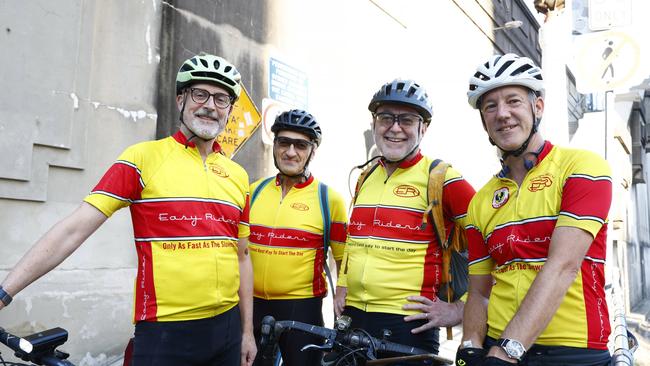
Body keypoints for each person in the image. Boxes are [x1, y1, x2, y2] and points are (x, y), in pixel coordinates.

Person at [0, 53, 257, 366]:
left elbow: (242, 257)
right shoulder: (142, 158)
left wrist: (247, 332)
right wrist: (4, 293)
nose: (210, 105)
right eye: (199, 94)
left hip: (227, 331)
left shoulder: (238, 176)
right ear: (180, 100)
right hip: (165, 333)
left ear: (229, 110)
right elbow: (75, 227)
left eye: (221, 98)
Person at [457, 53, 613, 365]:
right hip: (495, 347)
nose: (503, 114)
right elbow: (480, 292)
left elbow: (562, 267)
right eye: (491, 106)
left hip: (570, 350)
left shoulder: (582, 167)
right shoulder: (481, 199)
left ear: (537, 107)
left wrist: (505, 352)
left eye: (513, 101)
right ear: (483, 121)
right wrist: (471, 344)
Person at [334, 79, 475, 360]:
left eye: (407, 120)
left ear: (424, 127)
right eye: (386, 118)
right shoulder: (366, 176)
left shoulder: (442, 178)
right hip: (352, 319)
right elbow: (356, 240)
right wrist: (342, 286)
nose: (395, 128)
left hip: (408, 325)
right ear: (374, 123)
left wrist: (461, 308)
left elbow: (493, 242)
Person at [248, 109, 348, 365]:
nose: (290, 152)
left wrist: (342, 297)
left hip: (302, 307)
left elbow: (344, 258)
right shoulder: (253, 191)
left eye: (300, 145)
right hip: (252, 305)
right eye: (284, 142)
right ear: (275, 145)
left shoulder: (329, 199)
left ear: (312, 151)